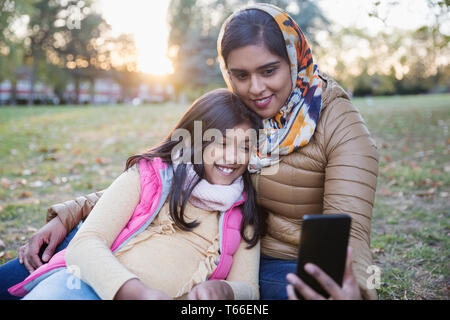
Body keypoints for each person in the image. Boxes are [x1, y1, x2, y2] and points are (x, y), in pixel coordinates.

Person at [1, 3, 379, 300]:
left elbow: (351, 232)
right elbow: (159, 180)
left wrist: (357, 291)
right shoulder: (237, 117)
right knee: (38, 266)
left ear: (294, 60)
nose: (257, 88)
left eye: (269, 70)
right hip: (155, 237)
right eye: (241, 75)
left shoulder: (336, 122)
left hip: (270, 261)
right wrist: (69, 214)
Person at [6, 89, 264, 300]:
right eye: (221, 143)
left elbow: (250, 288)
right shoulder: (149, 175)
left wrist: (226, 290)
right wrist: (135, 292)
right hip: (86, 287)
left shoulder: (244, 214)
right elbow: (85, 245)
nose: (233, 157)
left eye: (244, 146)